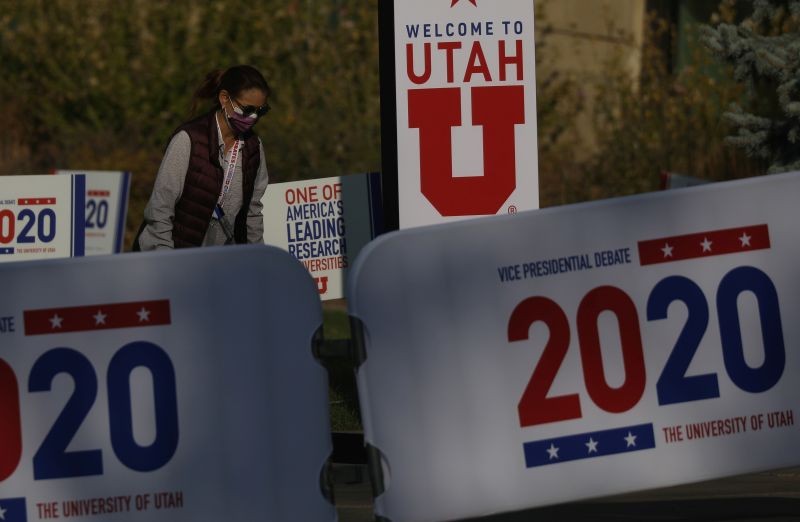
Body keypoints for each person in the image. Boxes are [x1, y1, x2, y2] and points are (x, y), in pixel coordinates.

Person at [133, 65, 271, 250]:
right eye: (247, 110)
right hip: (172, 258)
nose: (253, 117)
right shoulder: (188, 139)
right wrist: (165, 257)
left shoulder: (254, 148)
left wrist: (258, 260)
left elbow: (252, 214)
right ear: (224, 99)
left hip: (217, 264)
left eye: (261, 111)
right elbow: (160, 208)